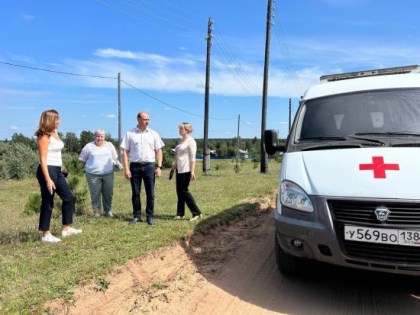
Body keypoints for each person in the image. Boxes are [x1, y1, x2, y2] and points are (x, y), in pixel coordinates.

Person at [35, 109, 82, 243]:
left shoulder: (55, 133)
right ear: (50, 120)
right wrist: (48, 179)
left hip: (56, 170)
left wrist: (60, 169)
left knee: (68, 197)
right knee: (48, 201)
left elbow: (55, 153)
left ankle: (66, 229)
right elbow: (43, 160)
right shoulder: (44, 136)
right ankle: (45, 234)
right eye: (57, 118)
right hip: (47, 170)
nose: (59, 121)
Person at [120, 111, 164, 226]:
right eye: (145, 119)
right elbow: (125, 152)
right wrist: (126, 169)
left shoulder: (153, 134)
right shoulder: (130, 134)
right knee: (135, 193)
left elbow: (159, 151)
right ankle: (137, 216)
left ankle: (150, 216)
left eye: (148, 119)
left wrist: (159, 166)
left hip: (149, 166)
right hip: (135, 166)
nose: (147, 121)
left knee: (151, 193)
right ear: (138, 119)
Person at [79, 129, 118, 218]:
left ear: (104, 137)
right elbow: (82, 159)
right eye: (97, 136)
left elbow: (115, 157)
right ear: (94, 137)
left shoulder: (110, 145)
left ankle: (108, 211)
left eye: (101, 136)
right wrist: (91, 166)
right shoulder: (89, 146)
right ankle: (96, 211)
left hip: (108, 173)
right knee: (95, 193)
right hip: (93, 175)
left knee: (108, 193)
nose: (99, 138)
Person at [170, 122, 202, 221]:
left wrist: (192, 171)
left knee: (184, 191)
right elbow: (178, 156)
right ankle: (180, 213)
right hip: (179, 169)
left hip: (186, 169)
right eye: (180, 129)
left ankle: (196, 213)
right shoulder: (181, 141)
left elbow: (192, 158)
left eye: (181, 129)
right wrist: (173, 168)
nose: (179, 131)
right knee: (179, 192)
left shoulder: (191, 141)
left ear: (187, 130)